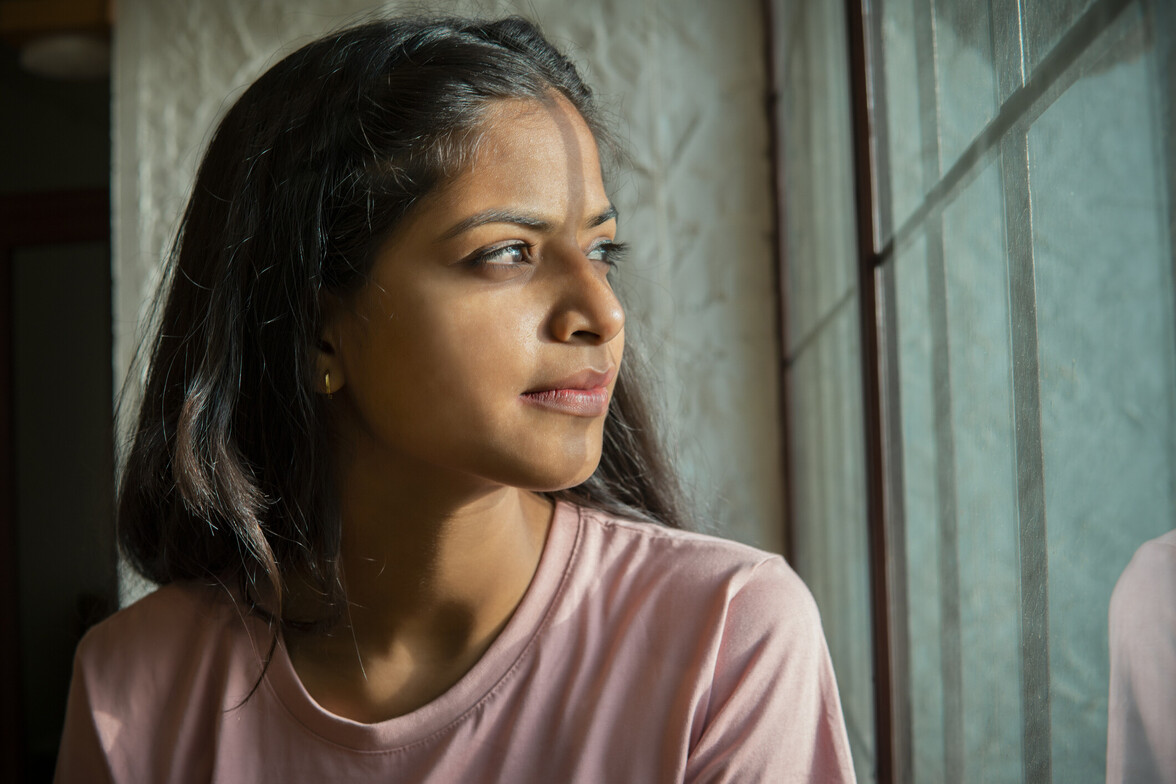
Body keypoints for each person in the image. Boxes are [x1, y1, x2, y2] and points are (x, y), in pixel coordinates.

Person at [54, 15, 855, 783]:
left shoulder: (730, 641)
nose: (604, 314)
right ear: (316, 331)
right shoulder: (135, 692)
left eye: (601, 249)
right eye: (507, 252)